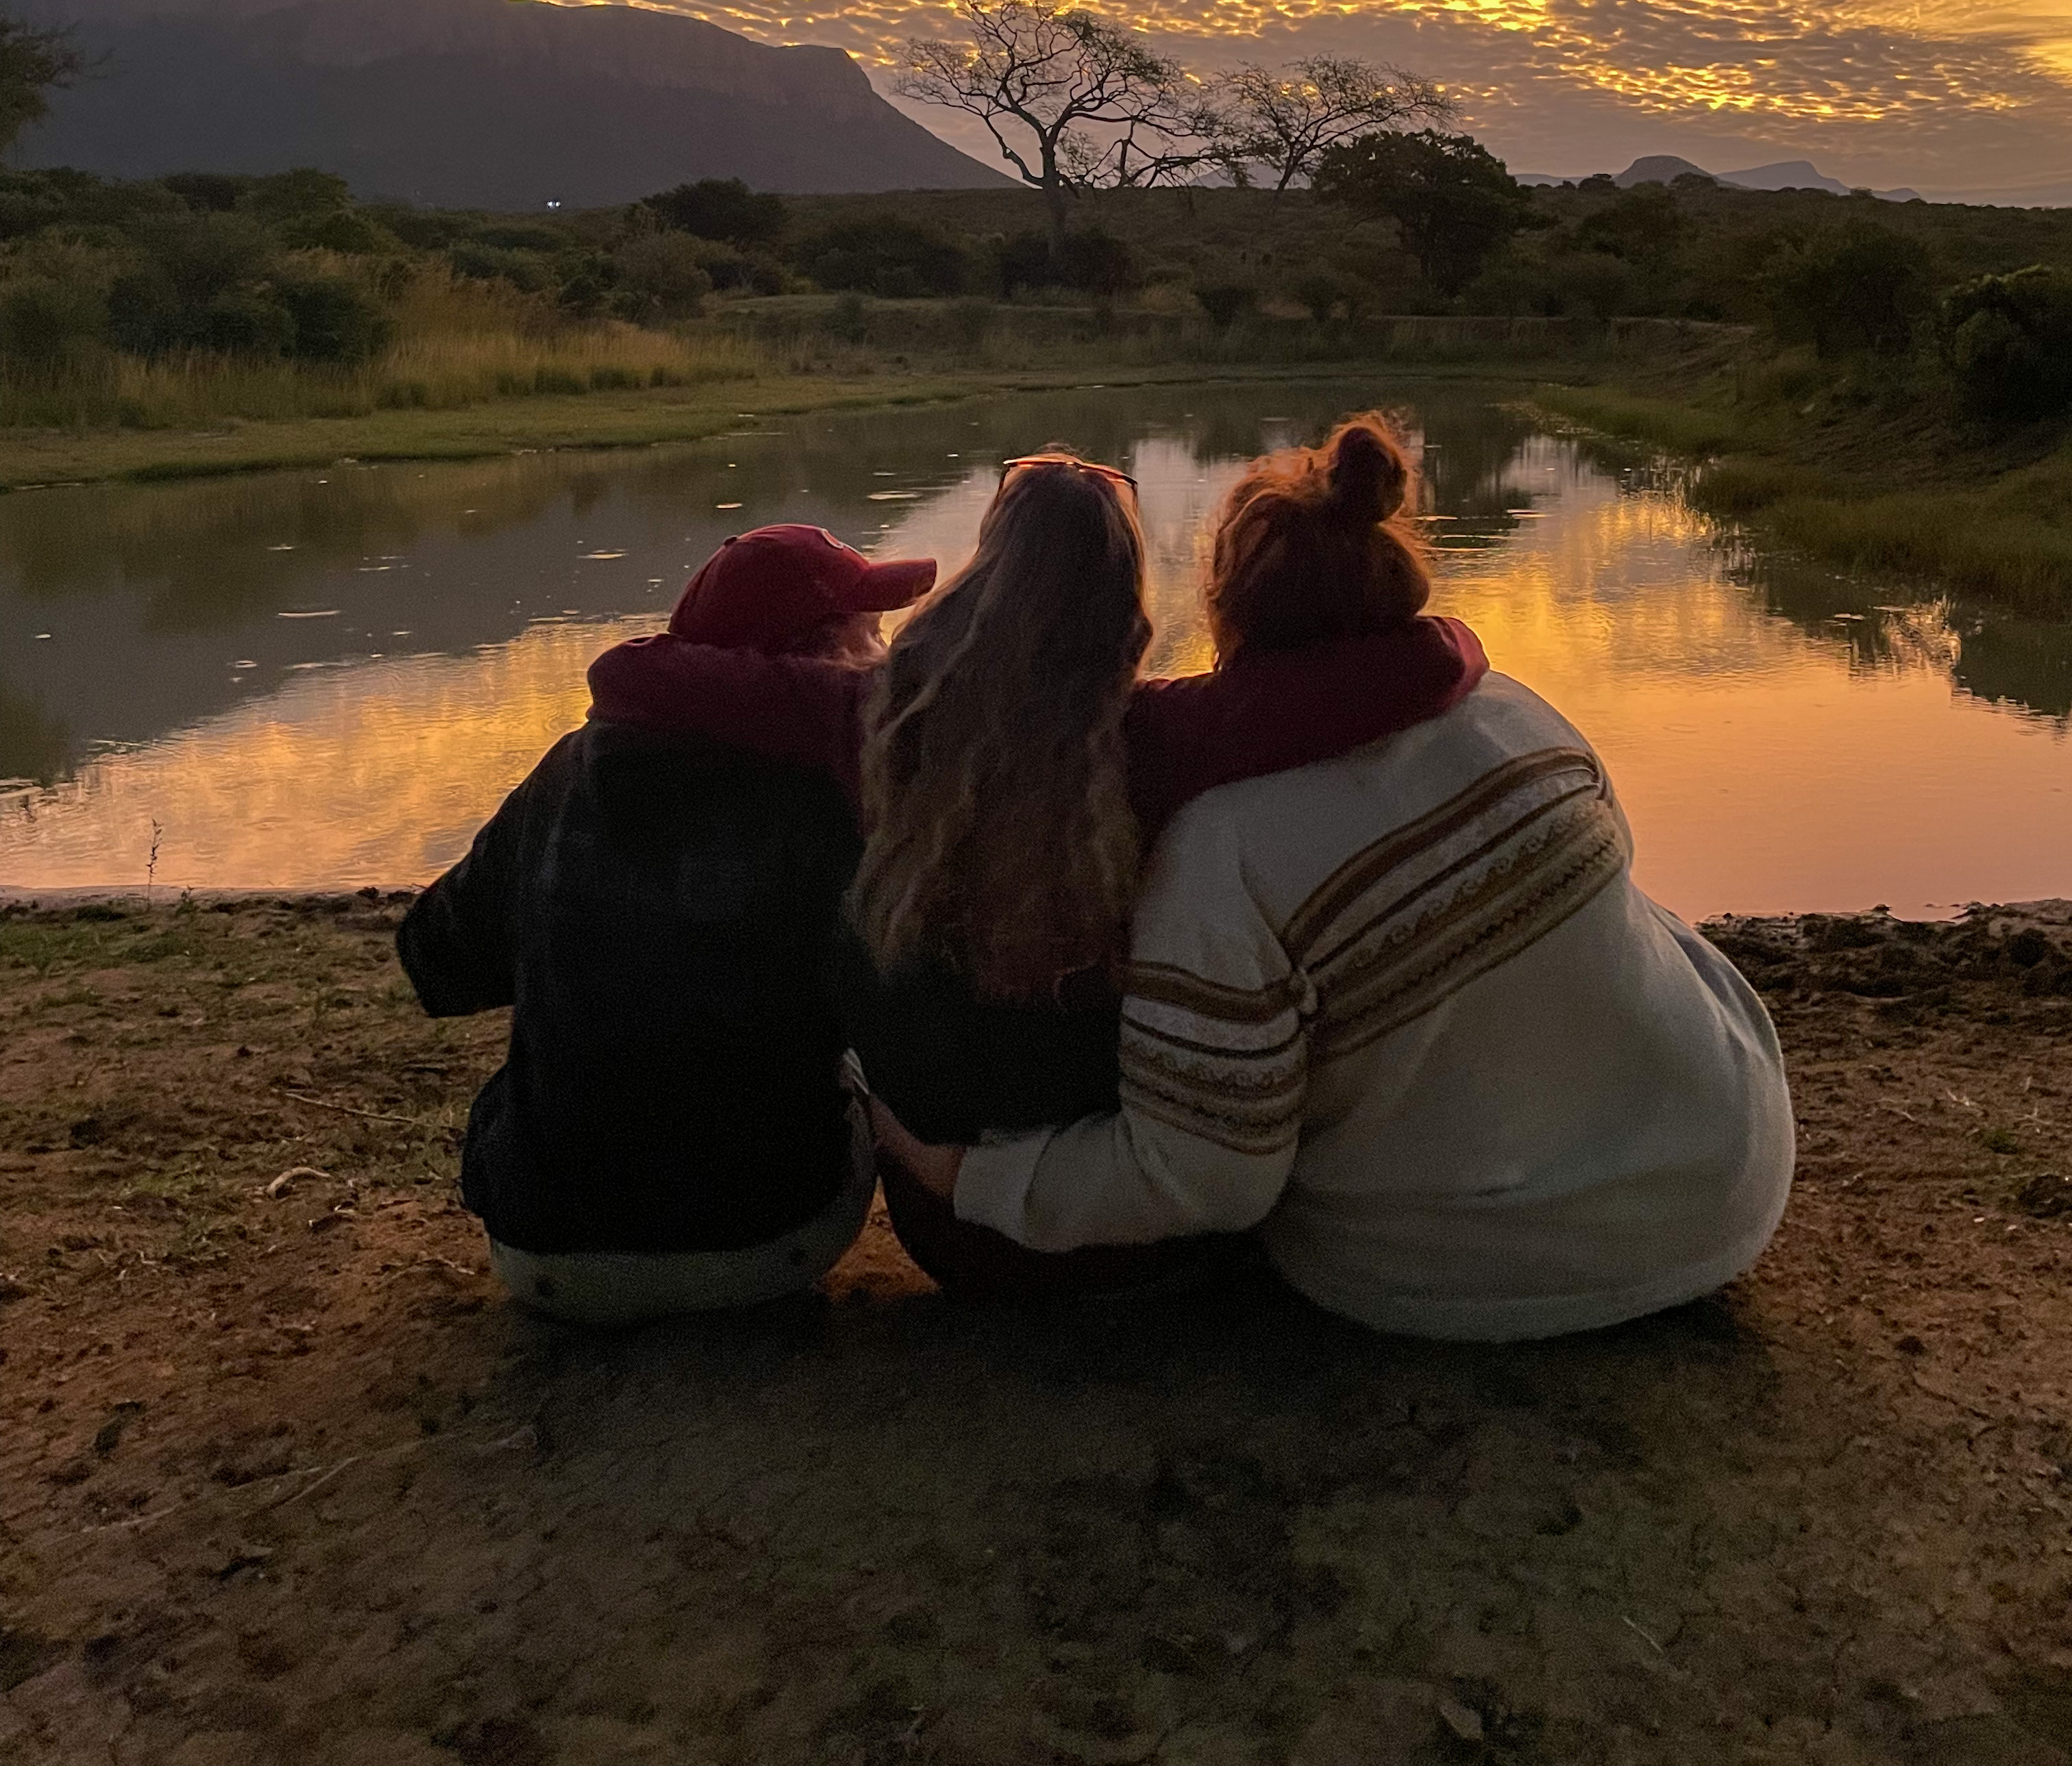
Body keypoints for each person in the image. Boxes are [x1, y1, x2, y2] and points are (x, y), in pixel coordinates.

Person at [879, 416, 1797, 1342]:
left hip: (1493, 1273)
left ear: (1228, 619)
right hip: (1730, 1169)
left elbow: (1205, 1178)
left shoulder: (1220, 851)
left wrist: (966, 1174)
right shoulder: (1515, 711)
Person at [585, 444, 1489, 1295]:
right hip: (1160, 1242)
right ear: (1127, 610)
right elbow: (1432, 656)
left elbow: (627, 673)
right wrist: (1467, 646)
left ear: (982, 575)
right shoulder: (1170, 733)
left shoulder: (863, 712)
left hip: (952, 1237)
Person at [396, 522, 935, 1323]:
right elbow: (905, 1026)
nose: (887, 658)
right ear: (815, 658)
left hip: (542, 1254)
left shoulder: (567, 770)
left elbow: (435, 962)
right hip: (767, 1245)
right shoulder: (831, 801)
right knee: (857, 1057)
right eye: (871, 636)